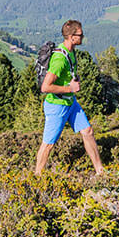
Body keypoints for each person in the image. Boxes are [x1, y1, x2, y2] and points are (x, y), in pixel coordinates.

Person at [34, 19, 108, 177]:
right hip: (57, 106)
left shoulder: (71, 51)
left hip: (70, 102)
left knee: (87, 131)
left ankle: (100, 172)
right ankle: (36, 177)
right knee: (48, 145)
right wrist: (70, 88)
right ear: (71, 37)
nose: (83, 36)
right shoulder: (59, 60)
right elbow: (45, 87)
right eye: (80, 34)